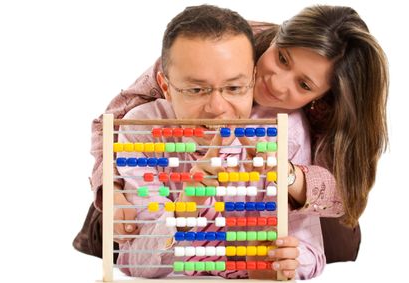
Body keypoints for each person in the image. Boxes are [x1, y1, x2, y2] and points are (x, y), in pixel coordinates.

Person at [74, 4, 388, 269]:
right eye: (281, 58)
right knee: (123, 229)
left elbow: (346, 195)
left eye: (303, 85)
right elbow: (115, 119)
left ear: (322, 97)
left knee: (324, 246)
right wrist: (112, 190)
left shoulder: (310, 122)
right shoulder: (210, 49)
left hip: (287, 201)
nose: (277, 84)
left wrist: (287, 174)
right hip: (165, 180)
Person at [114, 4, 320, 280]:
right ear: (165, 87)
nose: (216, 107)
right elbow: (136, 260)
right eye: (196, 90)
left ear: (253, 79)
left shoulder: (283, 133)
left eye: (234, 88)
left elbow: (311, 251)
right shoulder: (142, 131)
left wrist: (289, 259)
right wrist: (185, 211)